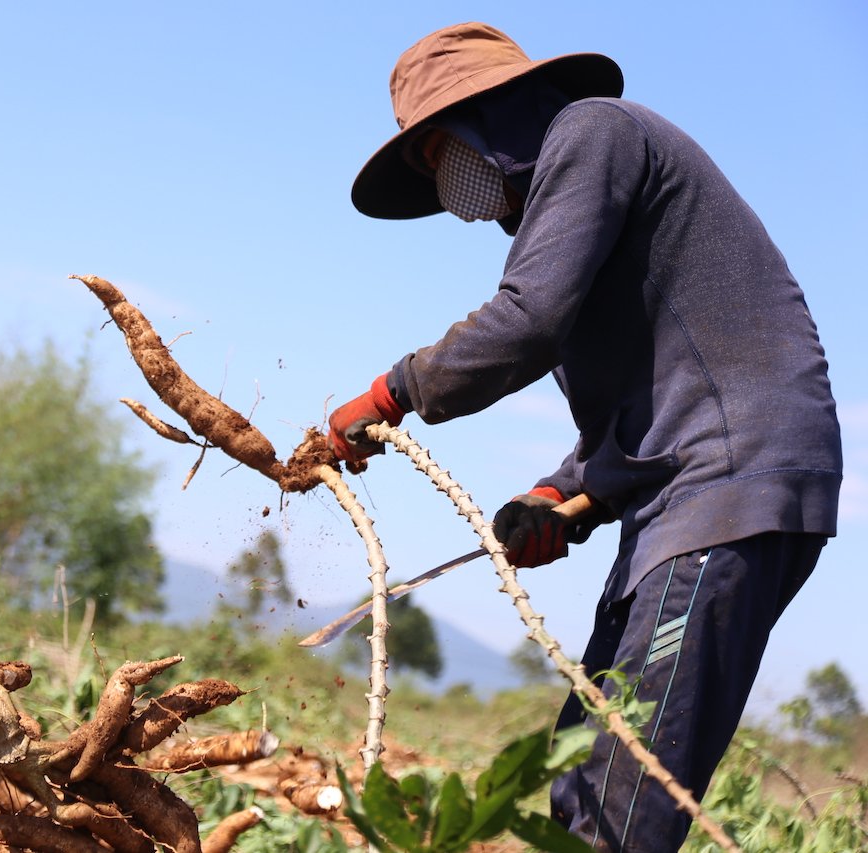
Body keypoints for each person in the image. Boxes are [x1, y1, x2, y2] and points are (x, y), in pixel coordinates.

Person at [326, 21, 842, 851]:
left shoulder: (593, 130)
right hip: (689, 495)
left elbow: (527, 320)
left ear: (490, 115)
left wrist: (394, 390)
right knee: (584, 773)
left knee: (622, 798)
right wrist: (565, 496)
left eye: (441, 154)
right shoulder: (582, 197)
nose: (449, 188)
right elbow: (640, 405)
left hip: (729, 487)